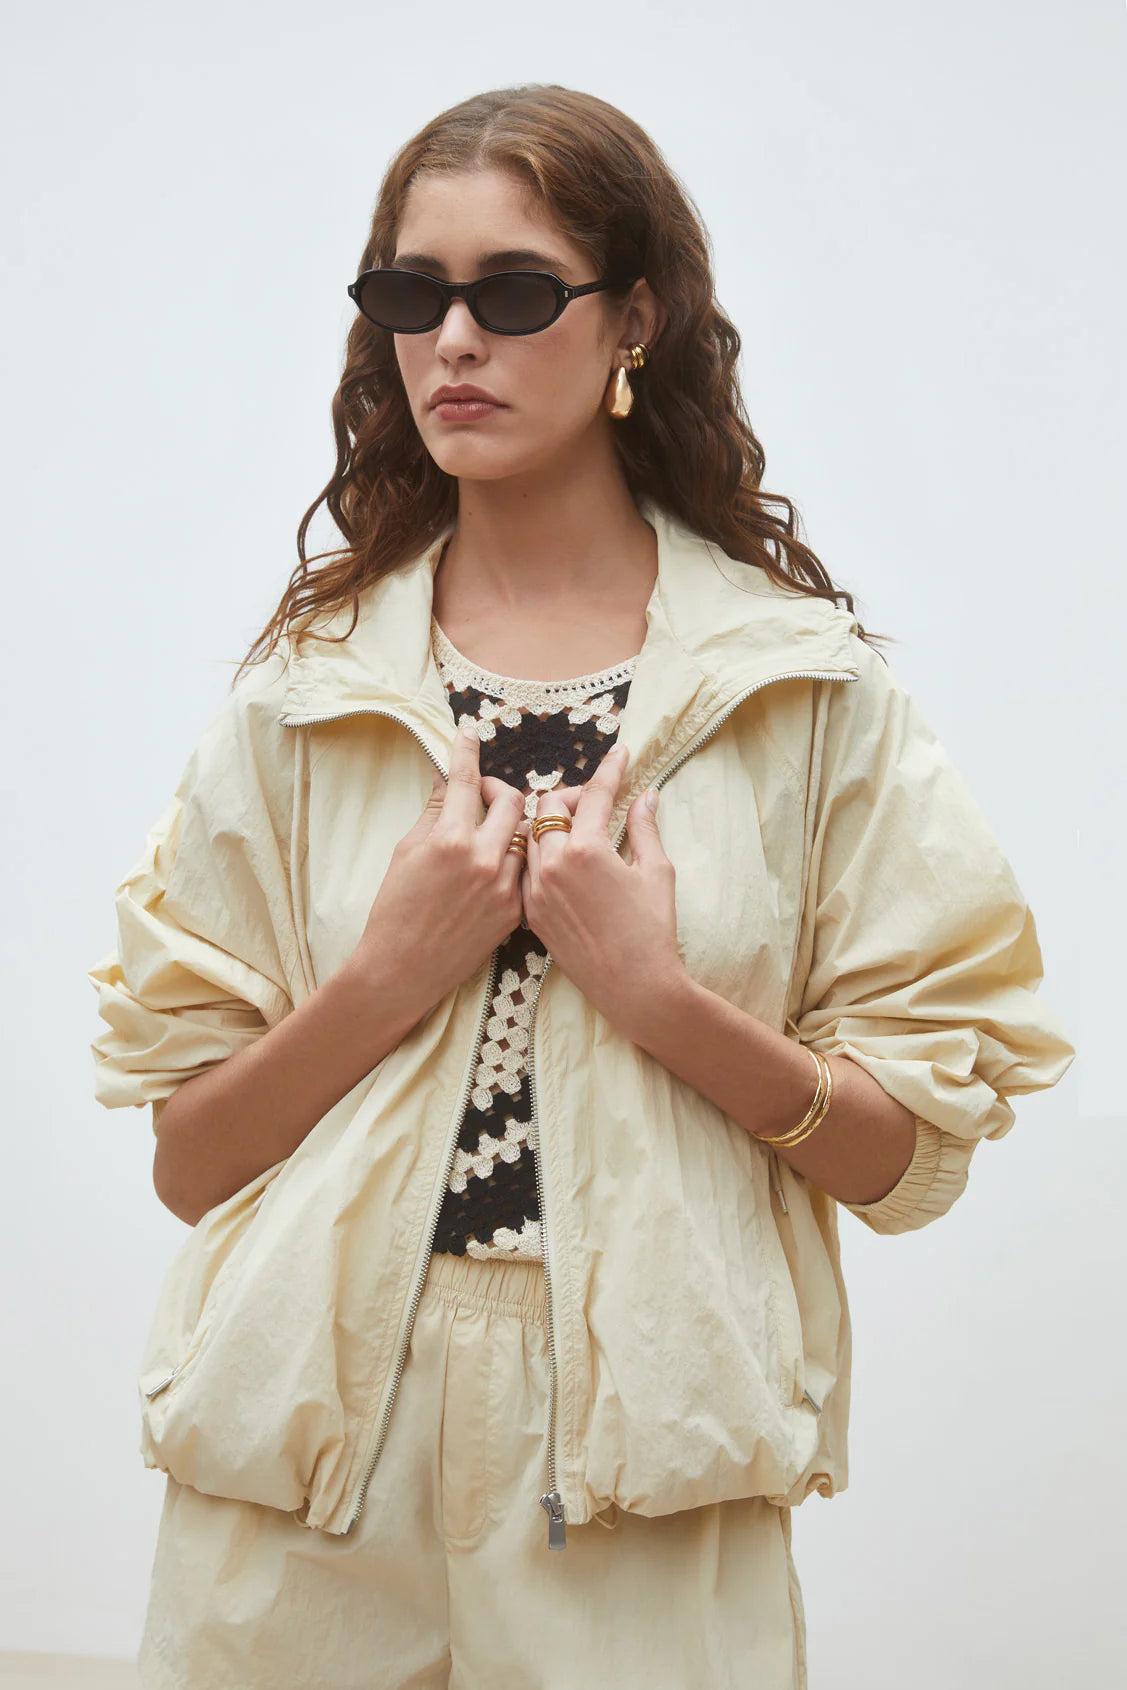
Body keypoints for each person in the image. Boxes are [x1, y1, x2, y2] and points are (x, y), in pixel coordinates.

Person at [86, 83, 1075, 1690]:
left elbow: (907, 1163)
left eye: (516, 291)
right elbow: (191, 1165)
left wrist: (664, 1001)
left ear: (637, 318)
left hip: (645, 1456)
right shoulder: (305, 694)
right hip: (306, 1467)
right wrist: (383, 979)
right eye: (413, 294)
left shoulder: (801, 696)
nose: (454, 340)